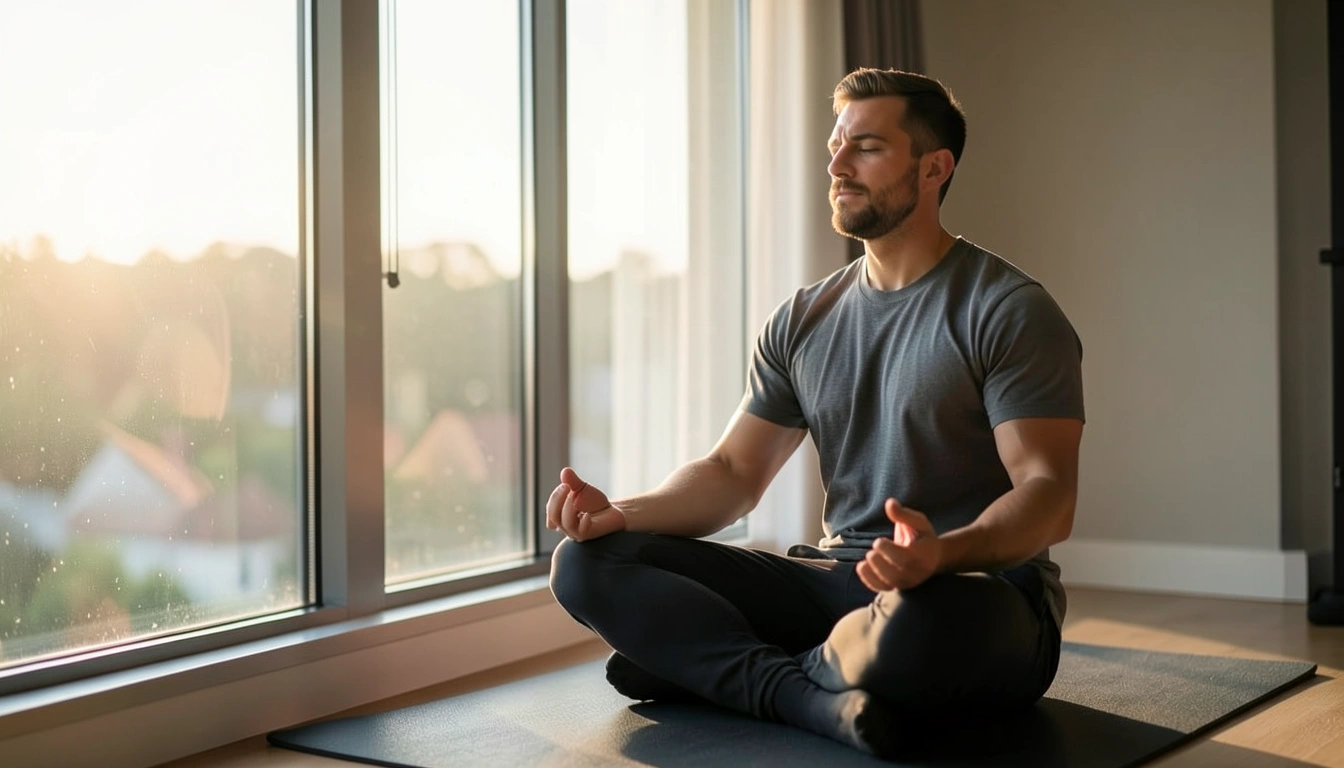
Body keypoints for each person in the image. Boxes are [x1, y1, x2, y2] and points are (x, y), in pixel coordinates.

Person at [547, 67, 1084, 760]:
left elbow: (1048, 495)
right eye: (836, 146)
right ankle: (803, 695)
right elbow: (733, 473)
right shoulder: (803, 319)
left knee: (916, 629)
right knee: (587, 564)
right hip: (837, 586)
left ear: (933, 169)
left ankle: (717, 668)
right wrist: (620, 514)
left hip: (972, 596)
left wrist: (940, 554)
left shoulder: (1008, 310)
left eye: (866, 146)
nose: (835, 164)